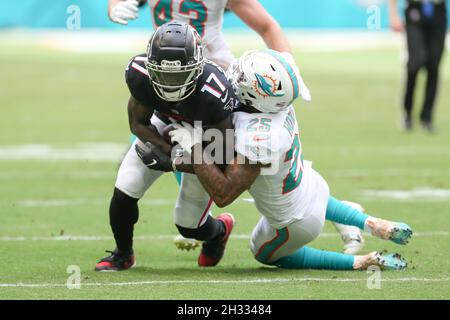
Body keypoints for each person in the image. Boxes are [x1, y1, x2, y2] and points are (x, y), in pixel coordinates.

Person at [108, 0, 366, 253]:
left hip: (220, 89)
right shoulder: (141, 74)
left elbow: (267, 26)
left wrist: (290, 67)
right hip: (164, 81)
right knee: (159, 169)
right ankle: (196, 222)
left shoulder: (217, 94)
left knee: (256, 172)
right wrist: (114, 6)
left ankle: (344, 214)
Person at [153, 50, 412, 270]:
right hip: (308, 185)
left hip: (294, 224)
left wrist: (191, 149)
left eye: (241, 77)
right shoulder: (277, 102)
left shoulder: (257, 135)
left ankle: (360, 261)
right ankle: (369, 223)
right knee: (312, 194)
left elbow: (224, 194)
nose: (234, 77)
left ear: (255, 94)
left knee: (262, 252)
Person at [95, 22, 238, 271]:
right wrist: (165, 148)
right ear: (150, 67)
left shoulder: (213, 92)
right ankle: (123, 254)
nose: (171, 82)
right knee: (124, 190)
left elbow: (222, 159)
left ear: (197, 68)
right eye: (163, 74)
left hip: (203, 140)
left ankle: (219, 231)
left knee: (189, 226)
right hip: (163, 125)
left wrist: (174, 161)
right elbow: (138, 124)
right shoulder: (139, 76)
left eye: (178, 74)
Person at [389, 0, 447, 132]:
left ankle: (427, 117)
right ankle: (407, 112)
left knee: (434, 66)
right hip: (415, 9)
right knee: (415, 64)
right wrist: (393, 14)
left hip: (438, 11)